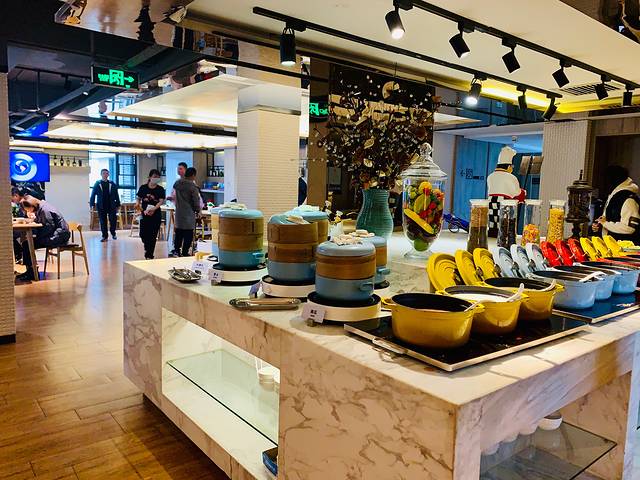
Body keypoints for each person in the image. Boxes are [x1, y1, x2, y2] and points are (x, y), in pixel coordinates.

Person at [16, 197, 70, 281]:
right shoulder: (43, 207)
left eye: (27, 209)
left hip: (59, 236)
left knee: (27, 244)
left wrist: (36, 231)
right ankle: (31, 271)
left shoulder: (45, 210)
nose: (28, 211)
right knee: (27, 243)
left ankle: (32, 272)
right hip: (56, 234)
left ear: (31, 206)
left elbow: (49, 228)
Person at [486, 146, 526, 237]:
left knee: (493, 219)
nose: (512, 168)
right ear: (508, 166)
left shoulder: (490, 176)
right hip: (505, 202)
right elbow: (516, 192)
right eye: (512, 166)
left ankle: (492, 231)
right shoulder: (511, 177)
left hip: (491, 201)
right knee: (504, 221)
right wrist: (523, 192)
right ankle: (504, 235)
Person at [594, 165, 640, 243]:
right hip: (613, 245)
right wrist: (600, 226)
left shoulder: (627, 199)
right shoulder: (615, 196)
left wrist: (605, 224)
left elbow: (629, 228)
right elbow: (612, 219)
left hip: (625, 248)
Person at [136, 169, 166, 260]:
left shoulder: (160, 189)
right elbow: (138, 198)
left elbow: (161, 201)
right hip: (144, 214)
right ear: (149, 177)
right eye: (154, 177)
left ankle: (149, 255)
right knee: (143, 234)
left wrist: (154, 208)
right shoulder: (143, 187)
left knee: (153, 235)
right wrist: (137, 204)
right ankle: (147, 247)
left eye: (158, 177)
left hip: (155, 215)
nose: (156, 178)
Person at [172, 167, 201, 257]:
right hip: (188, 213)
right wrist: (198, 210)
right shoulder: (192, 186)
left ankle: (176, 250)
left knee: (179, 232)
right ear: (193, 175)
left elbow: (174, 191)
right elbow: (196, 201)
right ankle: (185, 252)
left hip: (179, 212)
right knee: (188, 234)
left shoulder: (177, 183)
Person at [90, 169, 121, 242]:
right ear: (101, 174)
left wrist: (118, 203)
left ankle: (113, 233)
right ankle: (104, 236)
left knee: (113, 220)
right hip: (101, 205)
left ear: (108, 175)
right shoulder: (97, 184)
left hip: (111, 205)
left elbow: (116, 194)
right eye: (104, 173)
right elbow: (93, 194)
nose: (105, 175)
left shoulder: (112, 184)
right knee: (103, 221)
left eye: (107, 173)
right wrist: (92, 204)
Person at [167, 161, 188, 256]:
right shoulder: (177, 182)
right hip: (178, 209)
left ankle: (184, 251)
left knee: (185, 231)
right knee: (178, 230)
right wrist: (171, 198)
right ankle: (176, 249)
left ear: (185, 170)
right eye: (178, 169)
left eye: (181, 169)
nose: (179, 171)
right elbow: (174, 194)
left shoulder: (189, 182)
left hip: (186, 211)